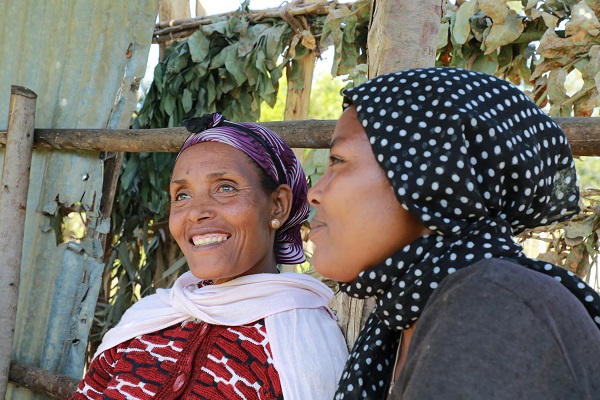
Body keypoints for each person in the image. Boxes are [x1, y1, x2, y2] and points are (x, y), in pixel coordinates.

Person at [307, 67, 600, 400]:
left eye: (338, 159)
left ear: (434, 176)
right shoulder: (410, 314)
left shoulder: (492, 308)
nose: (314, 192)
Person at [72, 113, 348, 400]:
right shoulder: (145, 320)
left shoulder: (302, 342)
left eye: (225, 188)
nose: (195, 211)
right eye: (182, 195)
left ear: (277, 205)